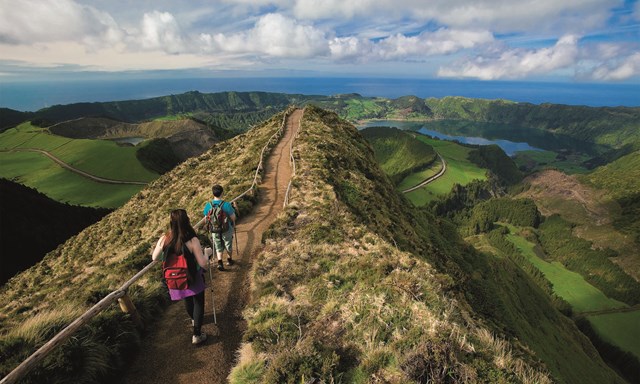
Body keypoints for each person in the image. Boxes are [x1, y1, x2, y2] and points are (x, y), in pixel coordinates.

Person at [152, 209, 209, 345]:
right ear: (186, 221)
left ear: (171, 222)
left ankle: (194, 321)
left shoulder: (164, 238)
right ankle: (197, 334)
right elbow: (203, 264)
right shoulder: (192, 239)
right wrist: (207, 254)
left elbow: (154, 257)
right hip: (192, 276)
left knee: (188, 300)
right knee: (198, 302)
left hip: (175, 278)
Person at [203, 184, 237, 271]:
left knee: (218, 246)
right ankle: (229, 260)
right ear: (222, 193)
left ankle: (220, 262)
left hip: (214, 230)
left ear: (213, 193)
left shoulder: (208, 205)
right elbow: (233, 217)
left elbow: (206, 219)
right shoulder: (226, 205)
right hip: (226, 229)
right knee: (228, 244)